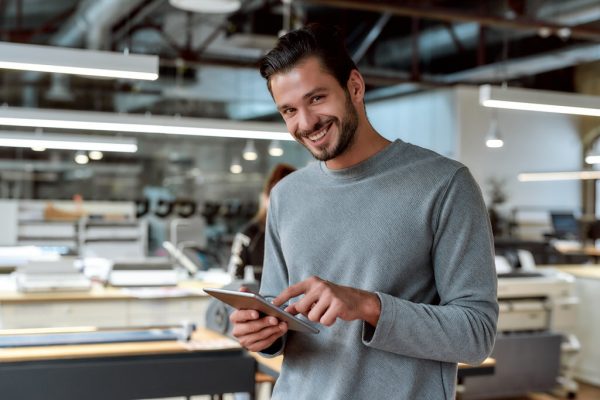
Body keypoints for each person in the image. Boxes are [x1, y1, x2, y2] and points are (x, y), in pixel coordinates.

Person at [229, 23, 498, 400]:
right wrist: (263, 333)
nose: (305, 123)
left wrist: (369, 305)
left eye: (317, 99)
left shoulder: (445, 184)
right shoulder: (286, 195)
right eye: (289, 110)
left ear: (354, 86)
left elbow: (476, 335)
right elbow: (281, 313)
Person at [227, 163, 297, 282]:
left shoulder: (305, 234)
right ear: (266, 198)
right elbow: (235, 278)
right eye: (275, 195)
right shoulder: (249, 234)